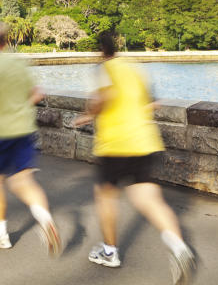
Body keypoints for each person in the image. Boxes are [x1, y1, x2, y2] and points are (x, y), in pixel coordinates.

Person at [76, 31, 197, 284]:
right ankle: (178, 247)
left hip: (116, 144)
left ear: (101, 50)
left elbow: (104, 97)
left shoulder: (104, 69)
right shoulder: (136, 69)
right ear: (117, 47)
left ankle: (110, 252)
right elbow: (154, 103)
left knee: (106, 196)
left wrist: (89, 113)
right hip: (145, 141)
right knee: (149, 198)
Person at [0, 22, 62, 256]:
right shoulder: (19, 63)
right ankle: (45, 220)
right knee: (23, 180)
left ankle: (1, 233)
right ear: (8, 39)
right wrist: (20, 107)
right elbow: (37, 93)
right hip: (24, 129)